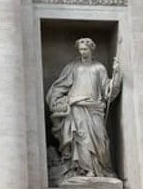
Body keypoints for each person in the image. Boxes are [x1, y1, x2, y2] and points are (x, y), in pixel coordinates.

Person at [46, 37, 121, 180]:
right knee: (81, 139)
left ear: (91, 49)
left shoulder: (99, 68)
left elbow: (107, 91)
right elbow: (60, 86)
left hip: (95, 108)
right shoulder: (73, 67)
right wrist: (57, 100)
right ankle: (84, 170)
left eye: (85, 49)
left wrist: (116, 74)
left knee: (100, 140)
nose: (82, 52)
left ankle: (100, 169)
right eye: (80, 49)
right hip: (77, 107)